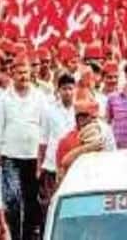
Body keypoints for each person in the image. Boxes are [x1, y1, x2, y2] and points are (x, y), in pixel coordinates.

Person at [0, 56, 44, 240]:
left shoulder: (40, 97)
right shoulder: (4, 98)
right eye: (19, 73)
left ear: (31, 74)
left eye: (26, 73)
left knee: (32, 199)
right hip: (10, 157)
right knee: (12, 199)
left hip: (34, 157)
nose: (23, 76)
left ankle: (30, 235)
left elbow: (45, 126)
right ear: (12, 74)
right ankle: (13, 234)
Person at [37, 74, 76, 230]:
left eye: (70, 89)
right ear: (58, 90)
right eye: (64, 89)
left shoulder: (79, 110)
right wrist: (39, 166)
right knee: (50, 207)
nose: (68, 92)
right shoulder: (49, 110)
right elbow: (43, 140)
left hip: (73, 167)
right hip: (52, 165)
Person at [55, 99, 115, 180]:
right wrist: (86, 148)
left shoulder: (102, 129)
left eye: (85, 115)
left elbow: (98, 143)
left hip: (101, 175)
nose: (82, 119)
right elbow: (64, 163)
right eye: (79, 116)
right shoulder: (68, 137)